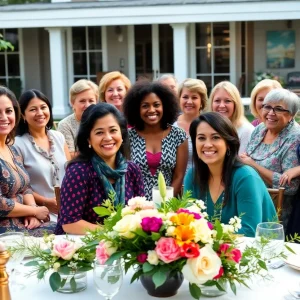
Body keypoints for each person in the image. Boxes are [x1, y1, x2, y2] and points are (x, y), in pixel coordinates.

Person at [55, 103, 145, 235]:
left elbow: (140, 214)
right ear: (88, 139)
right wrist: (113, 233)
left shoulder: (132, 170)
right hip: (81, 246)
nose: (108, 138)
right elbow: (70, 223)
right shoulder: (78, 172)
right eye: (99, 132)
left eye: (113, 130)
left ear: (122, 134)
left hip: (124, 246)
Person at [184, 112, 276, 237]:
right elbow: (186, 222)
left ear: (228, 143)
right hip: (209, 252)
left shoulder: (245, 177)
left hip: (257, 251)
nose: (207, 144)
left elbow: (249, 231)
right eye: (201, 138)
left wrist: (205, 236)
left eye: (215, 137)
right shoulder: (193, 175)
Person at [240, 89, 300, 229]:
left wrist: (253, 165)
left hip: (276, 214)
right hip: (251, 200)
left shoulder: (295, 137)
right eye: (267, 107)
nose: (271, 113)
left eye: (278, 109)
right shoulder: (260, 129)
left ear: (291, 115)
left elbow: (290, 187)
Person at [0, 86, 55, 236]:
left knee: (66, 231)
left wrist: (32, 212)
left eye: (8, 111)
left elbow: (25, 188)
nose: (4, 117)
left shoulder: (12, 150)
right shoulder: (20, 144)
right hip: (6, 231)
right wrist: (34, 210)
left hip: (26, 221)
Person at [123, 81, 188, 200]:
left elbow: (179, 177)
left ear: (165, 106)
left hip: (168, 208)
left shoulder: (178, 135)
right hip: (135, 208)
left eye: (156, 105)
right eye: (145, 106)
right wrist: (137, 207)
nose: (152, 110)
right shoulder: (128, 137)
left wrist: (164, 206)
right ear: (136, 109)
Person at [14, 89, 70, 217]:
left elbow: (70, 172)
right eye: (33, 109)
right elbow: (19, 187)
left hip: (69, 208)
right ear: (23, 115)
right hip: (40, 213)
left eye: (43, 107)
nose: (40, 113)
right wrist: (45, 202)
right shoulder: (18, 144)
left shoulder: (59, 137)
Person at [209, 81, 254, 154]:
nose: (222, 105)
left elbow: (242, 162)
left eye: (227, 101)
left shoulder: (246, 130)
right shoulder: (208, 127)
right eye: (217, 101)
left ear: (235, 104)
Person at [57, 79, 99, 157]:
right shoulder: (65, 125)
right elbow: (70, 155)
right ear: (72, 103)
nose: (87, 105)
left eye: (91, 101)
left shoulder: (101, 121)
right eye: (82, 101)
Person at [174, 78, 207, 171]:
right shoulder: (170, 125)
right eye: (185, 97)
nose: (189, 101)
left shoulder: (209, 125)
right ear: (179, 99)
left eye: (194, 97)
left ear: (202, 102)